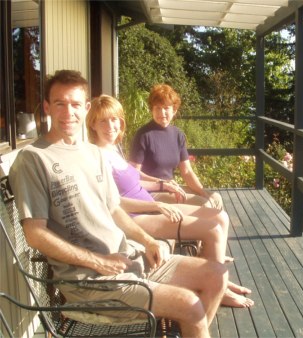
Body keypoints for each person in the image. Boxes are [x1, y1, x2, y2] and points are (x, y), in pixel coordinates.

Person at [9, 69, 228, 337]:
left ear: (86, 108)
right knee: (190, 305)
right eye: (60, 104)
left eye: (76, 104)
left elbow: (114, 209)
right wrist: (98, 261)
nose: (69, 112)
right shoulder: (34, 159)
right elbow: (35, 234)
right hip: (90, 281)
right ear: (47, 107)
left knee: (217, 275)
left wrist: (148, 241)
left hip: (128, 258)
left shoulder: (94, 154)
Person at [86, 94, 254, 308]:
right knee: (212, 229)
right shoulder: (96, 156)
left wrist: (163, 185)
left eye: (114, 119)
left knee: (219, 217)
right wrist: (156, 204)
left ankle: (219, 281)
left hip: (150, 206)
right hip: (136, 217)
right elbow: (115, 203)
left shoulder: (112, 149)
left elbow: (135, 182)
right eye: (103, 120)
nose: (111, 125)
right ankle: (217, 288)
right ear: (92, 123)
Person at [129, 84, 223, 209]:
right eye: (157, 108)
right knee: (204, 204)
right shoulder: (143, 135)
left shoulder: (178, 135)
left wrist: (203, 192)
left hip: (171, 188)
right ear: (152, 109)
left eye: (166, 108)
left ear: (174, 110)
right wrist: (161, 183)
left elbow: (187, 171)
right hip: (151, 192)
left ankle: (216, 228)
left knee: (215, 198)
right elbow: (133, 173)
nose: (162, 112)